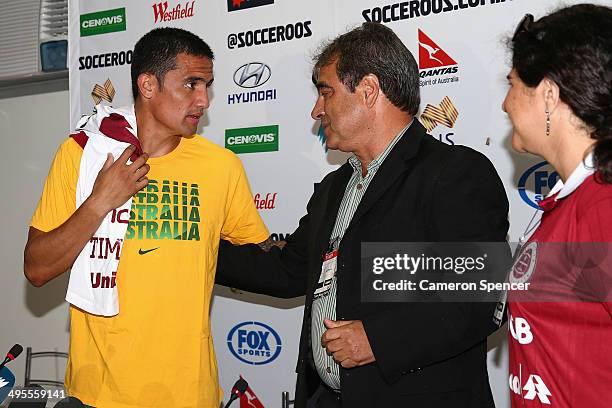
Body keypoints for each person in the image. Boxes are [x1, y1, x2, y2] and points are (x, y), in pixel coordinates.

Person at [216, 22, 509, 407]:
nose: (316, 109)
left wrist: (379, 340)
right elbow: (288, 269)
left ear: (369, 91)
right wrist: (195, 251)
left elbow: (482, 297)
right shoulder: (335, 187)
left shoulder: (454, 174)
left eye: (326, 92)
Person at [23, 28, 271, 408]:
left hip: (190, 395)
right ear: (148, 85)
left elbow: (259, 257)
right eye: (191, 84)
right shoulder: (83, 154)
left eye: (208, 85)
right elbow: (37, 268)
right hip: (98, 395)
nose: (203, 99)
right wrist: (100, 202)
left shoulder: (221, 167)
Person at [503, 5, 612, 407]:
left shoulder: (602, 206)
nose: (505, 105)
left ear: (548, 93)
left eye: (511, 84)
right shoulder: (573, 200)